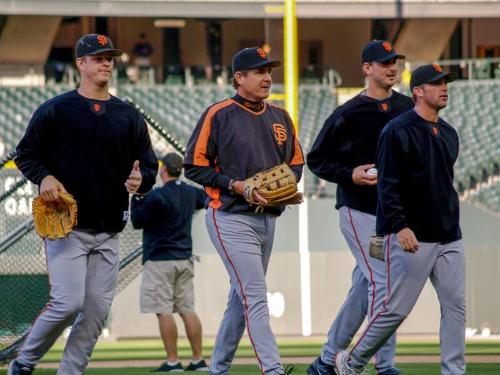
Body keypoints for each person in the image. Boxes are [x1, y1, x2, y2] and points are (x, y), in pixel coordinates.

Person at [10, 34, 158, 375]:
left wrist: (142, 181)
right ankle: (24, 362)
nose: (107, 62)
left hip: (109, 230)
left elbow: (148, 166)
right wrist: (44, 178)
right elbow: (26, 154)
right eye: (98, 58)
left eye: (110, 58)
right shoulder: (56, 110)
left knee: (94, 314)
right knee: (67, 303)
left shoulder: (128, 115)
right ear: (81, 64)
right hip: (67, 228)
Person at [335, 64, 465, 375]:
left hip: (449, 234)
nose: (444, 87)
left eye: (446, 82)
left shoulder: (448, 132)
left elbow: (442, 183)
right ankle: (350, 361)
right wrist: (400, 225)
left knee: (456, 308)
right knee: (395, 309)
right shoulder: (397, 130)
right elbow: (388, 184)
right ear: (418, 91)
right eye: (437, 83)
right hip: (412, 235)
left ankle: (454, 371)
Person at [183, 47, 304, 375]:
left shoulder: (280, 116)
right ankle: (273, 370)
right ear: (239, 78)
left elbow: (296, 162)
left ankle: (217, 369)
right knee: (255, 294)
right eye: (258, 71)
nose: (267, 77)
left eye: (269, 71)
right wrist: (236, 185)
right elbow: (193, 166)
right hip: (230, 217)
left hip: (268, 220)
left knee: (241, 301)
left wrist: (287, 183)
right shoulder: (219, 114)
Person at [307, 40, 413, 375]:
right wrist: (348, 174)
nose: (391, 68)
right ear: (367, 68)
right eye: (383, 63)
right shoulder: (347, 113)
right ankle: (382, 364)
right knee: (385, 284)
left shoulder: (408, 108)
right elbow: (316, 159)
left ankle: (327, 359)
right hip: (360, 210)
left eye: (393, 62)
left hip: (394, 214)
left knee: (366, 287)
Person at [131, 152, 208, 372]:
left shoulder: (157, 196)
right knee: (187, 309)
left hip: (160, 260)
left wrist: (136, 196)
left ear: (163, 170)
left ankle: (173, 361)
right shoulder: (191, 193)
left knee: (163, 309)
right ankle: (198, 359)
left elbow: (137, 221)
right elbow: (206, 200)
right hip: (184, 258)